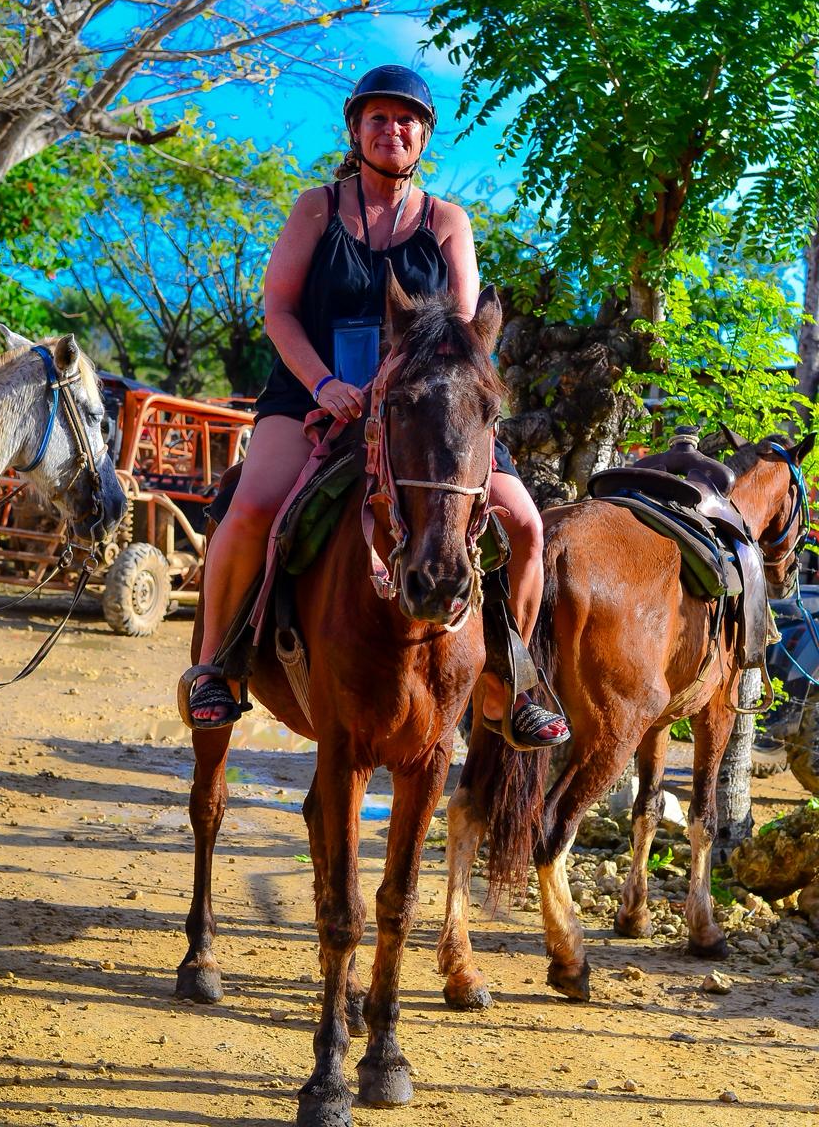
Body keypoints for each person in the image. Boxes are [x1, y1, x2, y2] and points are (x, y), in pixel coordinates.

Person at [187, 64, 569, 750]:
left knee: (527, 526)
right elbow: (278, 311)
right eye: (378, 118)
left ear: (424, 135)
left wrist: (395, 386)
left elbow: (460, 332)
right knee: (251, 508)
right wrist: (324, 385)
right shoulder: (316, 208)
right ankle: (216, 667)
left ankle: (512, 683)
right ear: (356, 131)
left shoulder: (448, 221)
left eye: (406, 120)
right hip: (312, 395)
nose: (392, 129)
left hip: (423, 407)